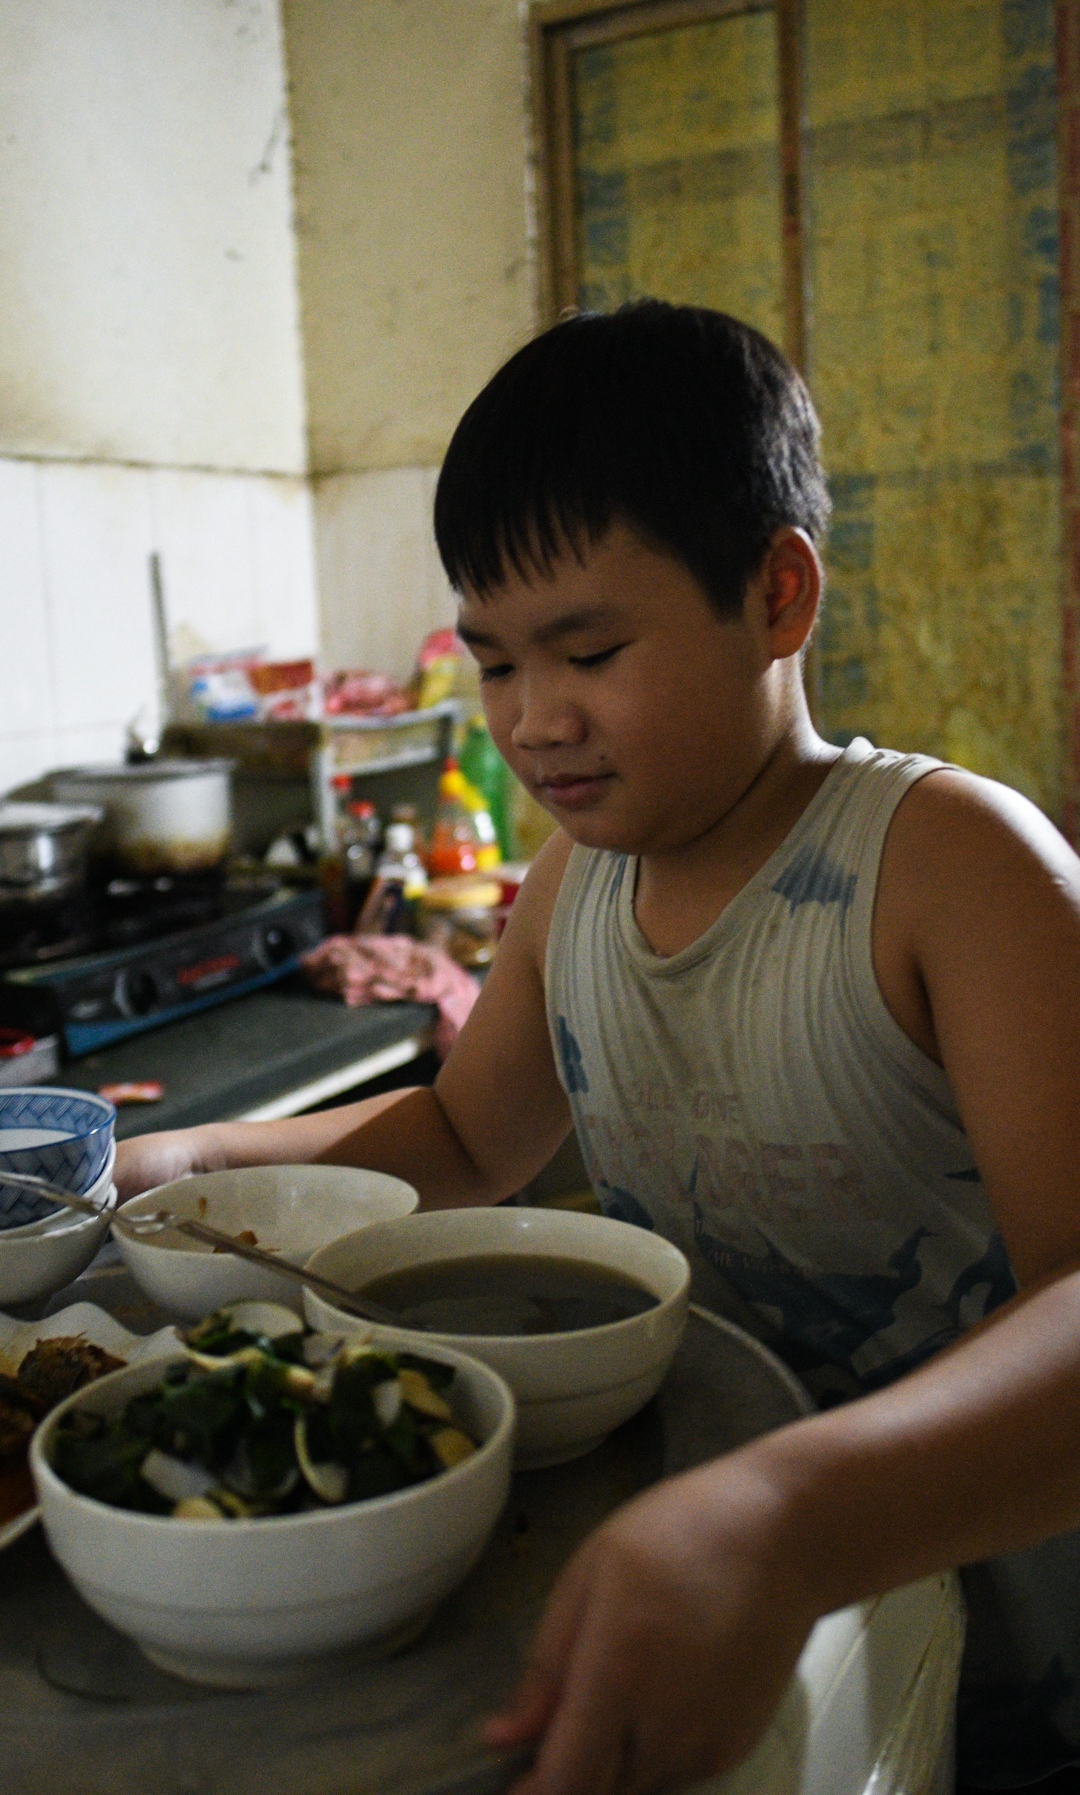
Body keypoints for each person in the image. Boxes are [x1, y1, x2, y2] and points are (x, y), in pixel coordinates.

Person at [117, 302, 1080, 1795]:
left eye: (588, 649)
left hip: (994, 1607)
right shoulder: (573, 886)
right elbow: (454, 1143)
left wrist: (785, 1517)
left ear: (775, 596)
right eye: (496, 663)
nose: (533, 719)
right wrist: (179, 1162)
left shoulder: (951, 868)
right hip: (716, 1584)